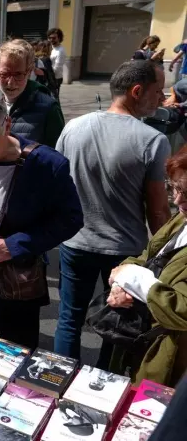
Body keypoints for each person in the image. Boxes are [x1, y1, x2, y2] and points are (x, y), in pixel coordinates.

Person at [54, 60, 170, 362]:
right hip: (125, 251)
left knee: (68, 320)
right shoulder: (153, 141)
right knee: (119, 324)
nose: (162, 98)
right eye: (157, 91)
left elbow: (59, 184)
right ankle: (103, 389)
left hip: (76, 242)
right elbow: (158, 211)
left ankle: (60, 381)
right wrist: (165, 257)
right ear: (136, 91)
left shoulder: (73, 128)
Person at [0, 96, 83, 349]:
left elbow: (72, 219)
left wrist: (16, 244)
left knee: (16, 353)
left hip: (18, 283)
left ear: (7, 125)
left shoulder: (46, 164)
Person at [105, 145, 187, 386]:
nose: (178, 200)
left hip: (173, 362)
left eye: (186, 192)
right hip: (147, 341)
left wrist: (133, 278)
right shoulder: (181, 219)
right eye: (174, 188)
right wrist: (121, 282)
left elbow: (182, 310)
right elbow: (148, 256)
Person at [0, 39, 65, 148]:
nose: (11, 82)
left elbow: (56, 156)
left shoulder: (49, 109)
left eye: (18, 75)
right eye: (4, 74)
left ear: (29, 72)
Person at [47, 28, 66, 99]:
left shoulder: (60, 51)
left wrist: (49, 76)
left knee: (54, 98)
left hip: (55, 78)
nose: (51, 40)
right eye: (50, 38)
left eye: (54, 38)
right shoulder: (50, 48)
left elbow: (57, 67)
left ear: (59, 38)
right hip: (48, 77)